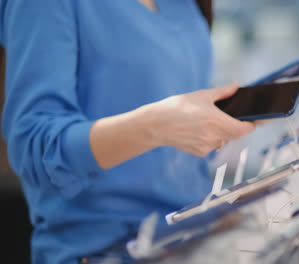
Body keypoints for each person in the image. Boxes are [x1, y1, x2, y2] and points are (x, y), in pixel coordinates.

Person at [0, 0, 256, 263]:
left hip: (192, 245)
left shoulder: (185, 6)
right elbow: (35, 148)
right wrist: (155, 126)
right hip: (102, 251)